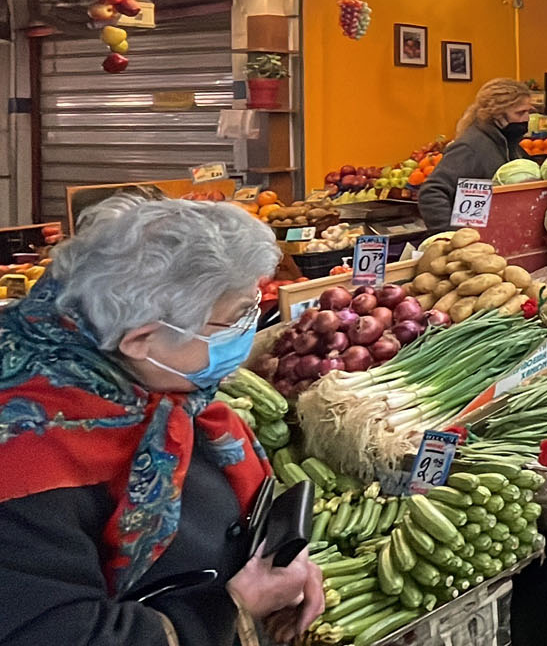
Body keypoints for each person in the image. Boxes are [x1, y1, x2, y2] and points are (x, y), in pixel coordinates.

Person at [0, 196, 325, 646]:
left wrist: (279, 566)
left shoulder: (150, 380)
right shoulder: (22, 458)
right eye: (234, 320)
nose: (249, 330)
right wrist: (232, 609)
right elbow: (55, 631)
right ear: (140, 339)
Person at [418, 78, 533, 228]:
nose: (527, 118)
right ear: (497, 114)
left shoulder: (510, 144)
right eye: (520, 113)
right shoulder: (469, 147)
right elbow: (432, 192)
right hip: (475, 239)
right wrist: (450, 235)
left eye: (529, 112)